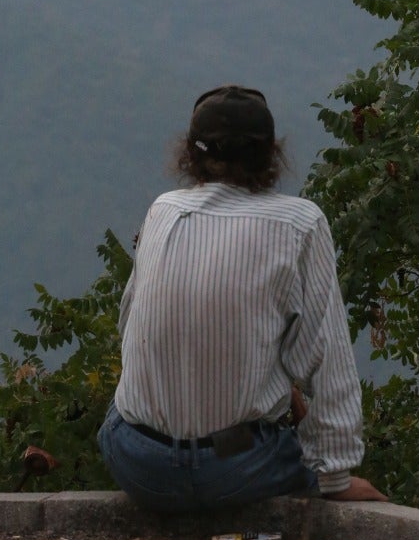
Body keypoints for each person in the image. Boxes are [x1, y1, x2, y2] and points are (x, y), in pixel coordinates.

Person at [98, 84, 387, 514]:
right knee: (272, 427)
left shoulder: (164, 209)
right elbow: (329, 365)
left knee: (123, 408)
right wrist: (336, 477)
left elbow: (130, 328)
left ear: (190, 155)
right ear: (271, 154)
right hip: (237, 470)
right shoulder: (301, 223)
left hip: (140, 466)